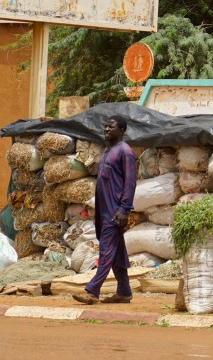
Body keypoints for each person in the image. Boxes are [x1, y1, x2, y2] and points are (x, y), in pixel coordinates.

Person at [74, 116, 137, 305]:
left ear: (122, 130)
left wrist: (124, 209)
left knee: (106, 250)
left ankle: (93, 290)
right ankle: (124, 291)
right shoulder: (109, 151)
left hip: (115, 211)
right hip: (104, 210)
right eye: (105, 126)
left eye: (111, 127)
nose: (106, 129)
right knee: (116, 251)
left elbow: (130, 183)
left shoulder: (125, 152)